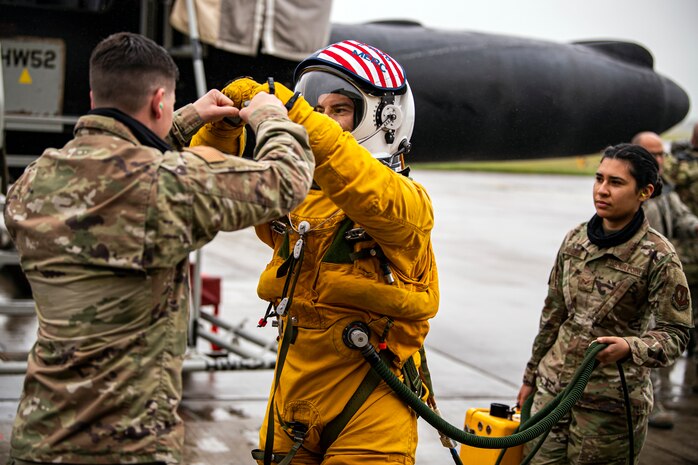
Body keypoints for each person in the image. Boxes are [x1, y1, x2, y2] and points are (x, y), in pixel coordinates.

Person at [3, 32, 314, 465]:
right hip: (128, 448)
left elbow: (122, 169)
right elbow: (287, 181)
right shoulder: (168, 186)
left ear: (95, 95)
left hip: (38, 439)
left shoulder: (34, 182)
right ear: (158, 101)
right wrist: (272, 117)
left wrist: (186, 118)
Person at [202, 40, 439, 464]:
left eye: (339, 110)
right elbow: (205, 195)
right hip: (291, 398)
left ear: (384, 118)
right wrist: (223, 128)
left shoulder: (406, 207)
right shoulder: (292, 201)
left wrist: (297, 114)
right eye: (319, 108)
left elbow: (361, 185)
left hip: (369, 407)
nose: (324, 119)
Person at [517, 144, 693, 464]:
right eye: (599, 178)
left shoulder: (658, 256)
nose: (602, 190)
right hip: (552, 397)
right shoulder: (575, 240)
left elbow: (677, 332)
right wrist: (530, 378)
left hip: (608, 411)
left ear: (645, 192)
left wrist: (631, 347)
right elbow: (552, 315)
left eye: (616, 182)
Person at [633, 131, 698, 429]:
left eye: (662, 153)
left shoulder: (664, 189)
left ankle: (657, 399)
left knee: (664, 339)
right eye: (653, 154)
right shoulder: (628, 190)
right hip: (636, 282)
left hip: (662, 279)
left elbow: (683, 219)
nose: (660, 160)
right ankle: (648, 404)